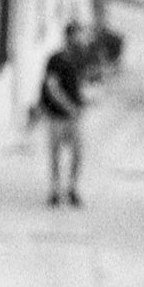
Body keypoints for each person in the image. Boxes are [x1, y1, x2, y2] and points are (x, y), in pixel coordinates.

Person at [39, 20, 85, 207]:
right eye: (78, 35)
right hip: (56, 115)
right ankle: (55, 190)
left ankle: (71, 188)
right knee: (56, 154)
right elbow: (52, 86)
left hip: (73, 116)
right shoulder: (56, 59)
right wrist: (69, 106)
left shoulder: (79, 59)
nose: (80, 39)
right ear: (69, 36)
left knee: (77, 153)